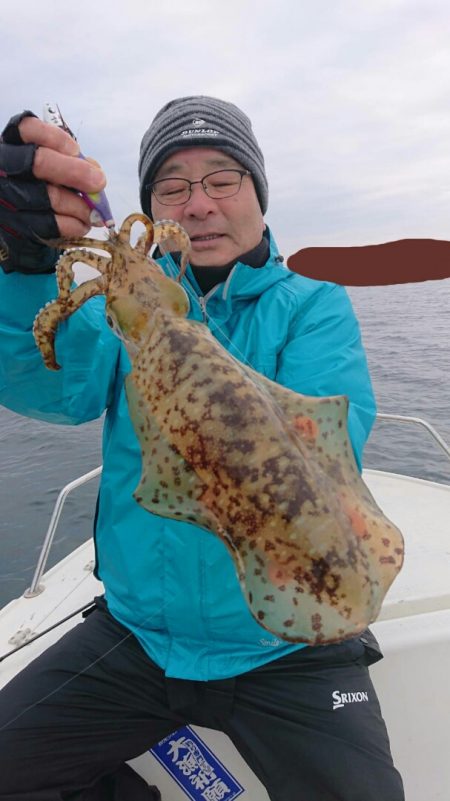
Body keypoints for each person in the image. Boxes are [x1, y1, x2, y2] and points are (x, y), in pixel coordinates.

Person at [0, 96, 404, 801]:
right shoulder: (118, 315)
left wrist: (166, 326)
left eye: (222, 179)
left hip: (290, 647)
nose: (200, 204)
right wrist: (23, 264)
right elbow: (51, 384)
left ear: (258, 192)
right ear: (152, 207)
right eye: (172, 187)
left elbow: (314, 465)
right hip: (140, 634)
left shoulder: (313, 306)